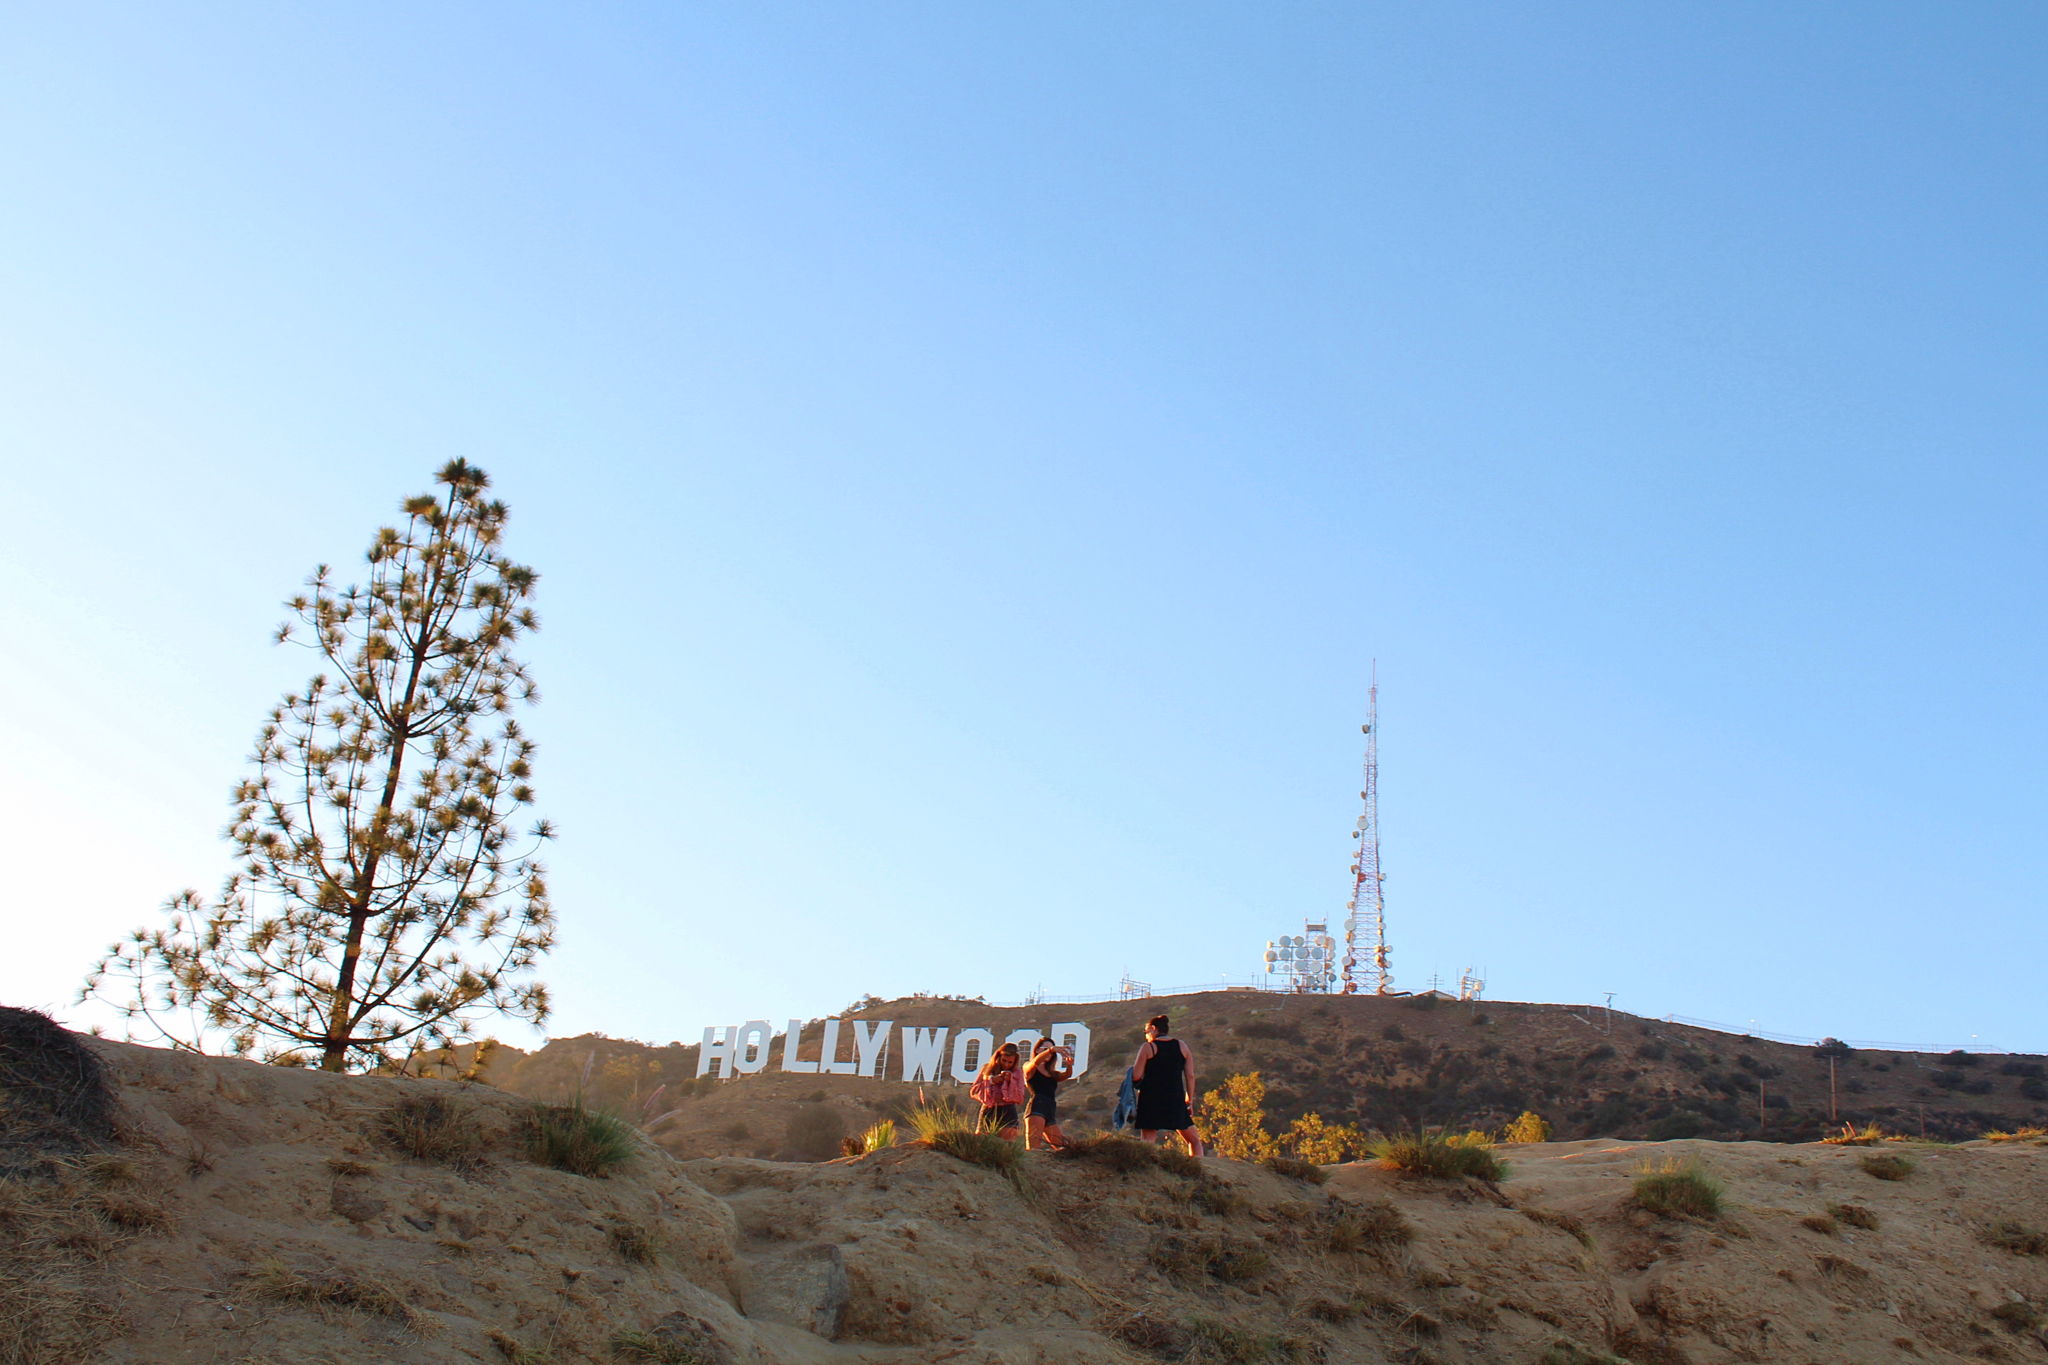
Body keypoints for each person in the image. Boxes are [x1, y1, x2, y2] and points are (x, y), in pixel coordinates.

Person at [1131, 1013, 1205, 1156]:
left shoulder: (1148, 1048)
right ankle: (1199, 1170)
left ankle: (1145, 1170)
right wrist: (1189, 1100)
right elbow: (1190, 1076)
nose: (1146, 1036)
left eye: (1146, 1032)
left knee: (1148, 1139)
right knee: (1194, 1140)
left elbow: (1136, 1076)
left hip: (1151, 1098)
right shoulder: (1182, 1046)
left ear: (1153, 1029)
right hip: (1175, 1097)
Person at [1022, 1037, 1074, 1151]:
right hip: (1037, 1107)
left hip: (1049, 1108)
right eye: (1044, 1048)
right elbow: (1034, 1063)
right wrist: (1050, 1050)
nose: (1049, 1051)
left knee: (1063, 1147)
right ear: (1037, 1050)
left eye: (1050, 1049)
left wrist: (1069, 1065)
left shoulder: (1051, 1072)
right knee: (1034, 1148)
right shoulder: (1029, 1066)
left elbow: (1066, 1075)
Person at [969, 1041, 1028, 1139]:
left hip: (1008, 1110)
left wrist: (1010, 1081)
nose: (1006, 1064)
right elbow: (974, 1091)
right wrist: (991, 1081)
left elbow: (1019, 1097)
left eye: (1010, 1062)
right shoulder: (987, 1069)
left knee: (1007, 1146)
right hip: (989, 1109)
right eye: (1004, 1060)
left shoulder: (1017, 1073)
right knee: (982, 1143)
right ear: (998, 1057)